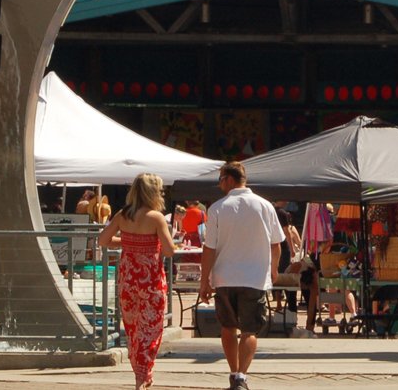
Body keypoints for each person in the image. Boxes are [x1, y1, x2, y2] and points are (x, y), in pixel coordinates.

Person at [198, 161, 283, 390]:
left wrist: (204, 280)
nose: (219, 185)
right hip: (254, 278)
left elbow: (209, 248)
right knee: (249, 330)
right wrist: (273, 269)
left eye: (220, 180)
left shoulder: (216, 208)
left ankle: (234, 372)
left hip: (225, 277)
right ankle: (242, 377)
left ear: (229, 179)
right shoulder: (265, 206)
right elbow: (276, 245)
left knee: (228, 328)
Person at [98, 173, 177, 390]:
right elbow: (169, 251)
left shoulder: (123, 215)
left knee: (133, 331)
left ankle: (140, 376)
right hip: (150, 283)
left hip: (128, 281)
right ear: (153, 192)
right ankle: (143, 376)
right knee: (150, 331)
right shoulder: (156, 217)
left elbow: (103, 240)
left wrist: (128, 240)